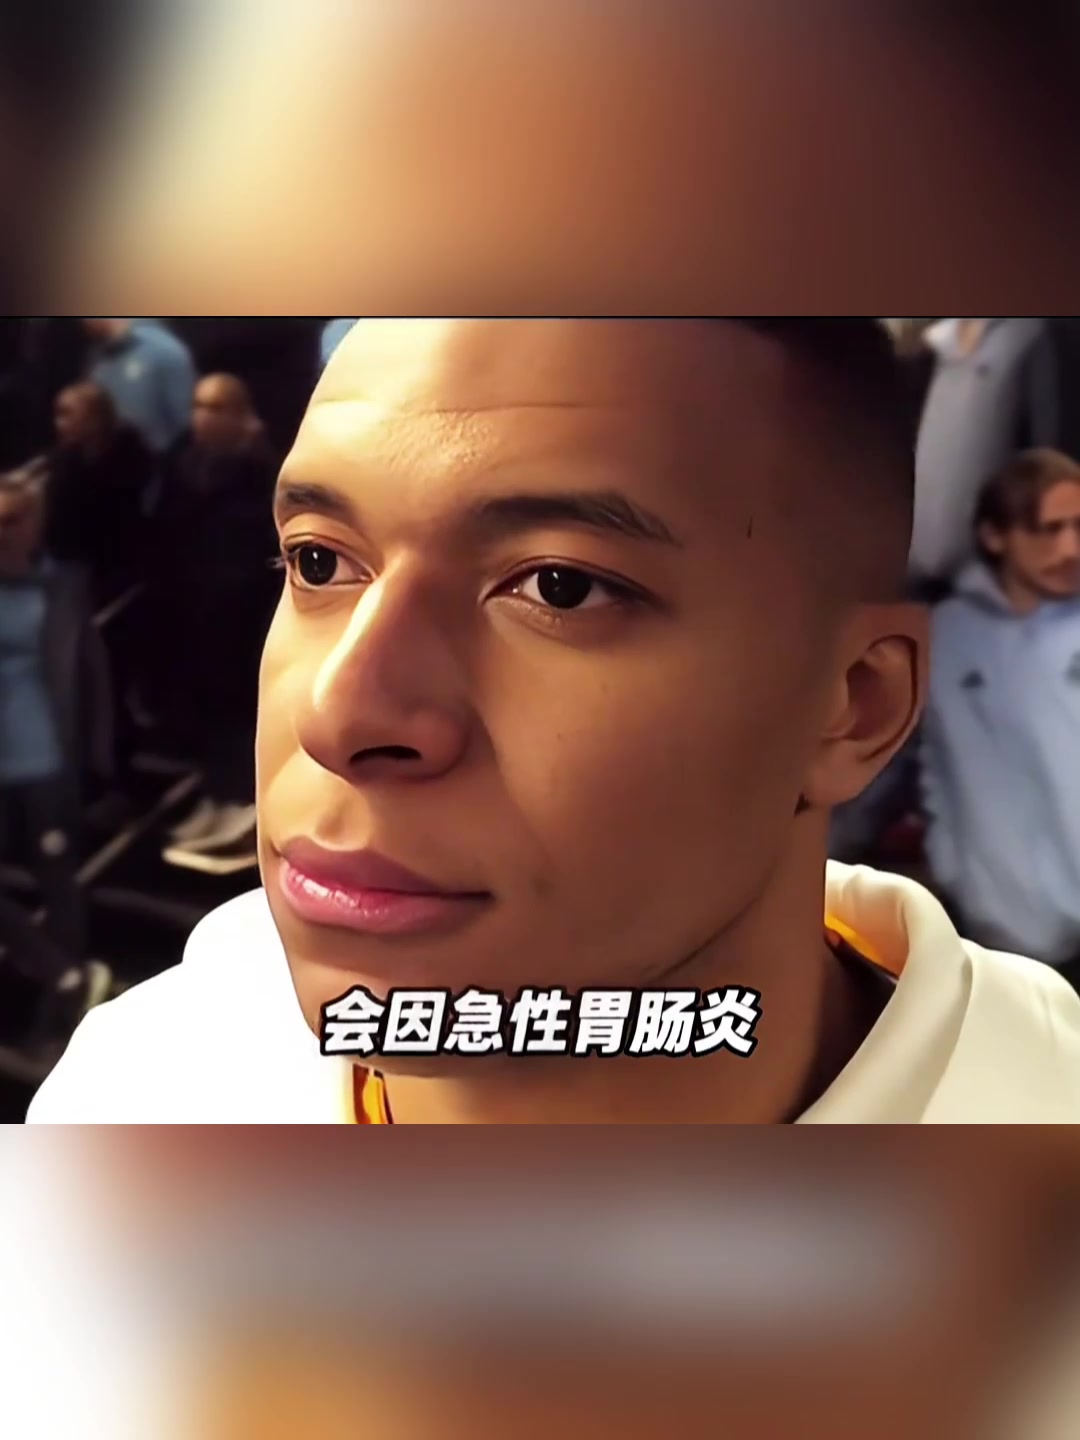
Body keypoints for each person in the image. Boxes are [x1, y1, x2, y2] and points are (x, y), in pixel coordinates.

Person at [27, 318, 1080, 1124]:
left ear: (854, 704)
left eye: (562, 587)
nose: (336, 712)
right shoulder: (141, 1088)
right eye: (318, 561)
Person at [921, 449, 1080, 981]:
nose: (1070, 548)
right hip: (1010, 933)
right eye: (1048, 530)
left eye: (1079, 527)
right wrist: (955, 870)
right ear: (995, 536)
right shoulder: (944, 637)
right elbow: (931, 767)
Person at [0, 466, 111, 1055]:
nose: (3, 531)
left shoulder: (63, 587)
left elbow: (93, 674)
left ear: (35, 524)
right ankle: (62, 974)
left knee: (58, 880)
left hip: (45, 762)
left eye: (13, 519)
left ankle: (66, 1003)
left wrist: (100, 753)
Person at [151, 374, 279, 875]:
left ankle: (240, 802)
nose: (203, 417)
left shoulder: (259, 470)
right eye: (199, 406)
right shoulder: (186, 464)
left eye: (216, 408)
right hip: (197, 604)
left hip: (244, 612)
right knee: (206, 709)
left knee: (237, 712)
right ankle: (215, 796)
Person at [910, 318, 1062, 590]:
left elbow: (1046, 449)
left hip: (985, 567)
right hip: (917, 558)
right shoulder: (937, 341)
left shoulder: (1028, 335)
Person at [45, 382, 153, 605]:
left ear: (95, 420)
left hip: (113, 567)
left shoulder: (128, 462)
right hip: (69, 564)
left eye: (67, 414)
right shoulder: (65, 459)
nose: (58, 424)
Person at [83, 318, 196, 461]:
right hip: (106, 465)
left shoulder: (165, 350)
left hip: (159, 465)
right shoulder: (96, 358)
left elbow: (185, 428)